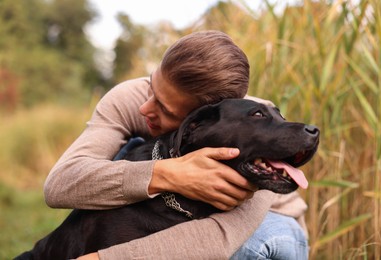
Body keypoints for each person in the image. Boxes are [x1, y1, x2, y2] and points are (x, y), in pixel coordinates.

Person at [44, 30, 309, 259]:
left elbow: (218, 239)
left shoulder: (252, 131)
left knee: (238, 249)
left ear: (201, 123)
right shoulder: (127, 98)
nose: (144, 107)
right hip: (173, 208)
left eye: (166, 110)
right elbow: (60, 184)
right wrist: (169, 174)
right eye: (152, 87)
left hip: (270, 230)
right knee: (130, 151)